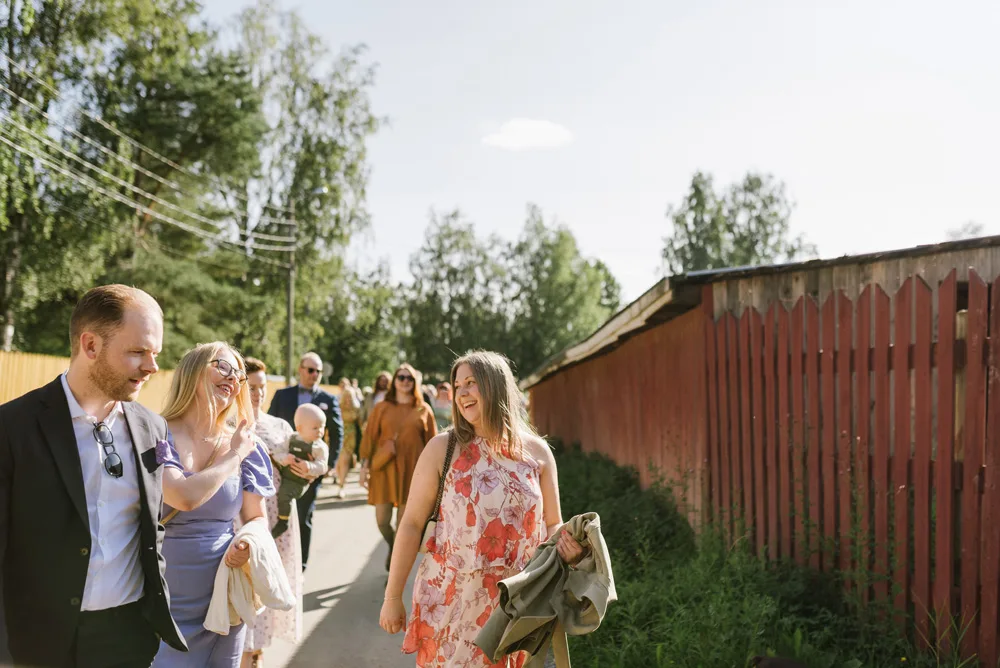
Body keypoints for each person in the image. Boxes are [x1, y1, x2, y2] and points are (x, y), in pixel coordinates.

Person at [0, 284, 187, 667]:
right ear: (90, 346)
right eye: (138, 352)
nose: (152, 366)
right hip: (38, 641)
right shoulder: (12, 427)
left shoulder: (153, 428)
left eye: (156, 354)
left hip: (129, 637)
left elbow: (152, 526)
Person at [379, 351, 586, 668]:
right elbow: (410, 524)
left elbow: (553, 522)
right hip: (453, 602)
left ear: (496, 386)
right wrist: (392, 597)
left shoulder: (537, 452)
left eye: (471, 383)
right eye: (457, 385)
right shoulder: (442, 448)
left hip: (520, 604)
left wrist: (567, 547)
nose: (461, 393)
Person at [152, 342, 276, 668]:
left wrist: (247, 541)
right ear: (193, 369)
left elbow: (256, 517)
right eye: (224, 367)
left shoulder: (249, 446)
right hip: (161, 598)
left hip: (224, 597)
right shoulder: (155, 434)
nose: (233, 378)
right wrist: (234, 455)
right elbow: (184, 497)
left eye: (239, 375)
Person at [241, 358, 309, 668]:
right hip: (244, 517)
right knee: (245, 587)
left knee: (270, 585)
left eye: (261, 387)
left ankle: (257, 656)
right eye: (251, 386)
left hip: (279, 519)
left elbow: (299, 471)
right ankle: (244, 656)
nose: (256, 393)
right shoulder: (229, 425)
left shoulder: (279, 426)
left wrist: (306, 471)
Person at [358, 364, 437, 571]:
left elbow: (433, 443)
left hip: (412, 471)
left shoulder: (423, 409)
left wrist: (436, 476)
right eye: (401, 377)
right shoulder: (382, 407)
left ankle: (395, 568)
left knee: (404, 524)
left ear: (415, 382)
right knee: (382, 520)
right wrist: (364, 467)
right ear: (394, 381)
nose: (405, 381)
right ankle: (394, 546)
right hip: (384, 469)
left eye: (409, 378)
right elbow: (369, 438)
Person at [267, 352, 342, 569]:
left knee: (303, 516)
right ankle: (278, 561)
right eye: (310, 370)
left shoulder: (328, 399)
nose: (315, 375)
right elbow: (272, 426)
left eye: (318, 371)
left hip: (311, 472)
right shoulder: (282, 395)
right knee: (279, 513)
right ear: (300, 370)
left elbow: (337, 433)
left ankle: (301, 565)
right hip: (281, 467)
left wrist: (327, 467)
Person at [272, 404, 327, 538]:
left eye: (322, 427)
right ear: (299, 428)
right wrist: (286, 459)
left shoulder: (319, 447)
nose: (320, 431)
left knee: (286, 495)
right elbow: (276, 454)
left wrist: (309, 466)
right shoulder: (291, 439)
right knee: (281, 495)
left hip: (299, 481)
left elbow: (322, 466)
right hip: (286, 475)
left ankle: (283, 521)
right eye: (315, 428)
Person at [334, 377, 361, 499]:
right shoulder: (338, 407)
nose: (348, 399)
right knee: (338, 462)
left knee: (345, 460)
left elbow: (361, 423)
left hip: (350, 436)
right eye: (347, 396)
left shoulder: (356, 409)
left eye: (351, 396)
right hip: (339, 435)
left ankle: (342, 486)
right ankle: (340, 480)